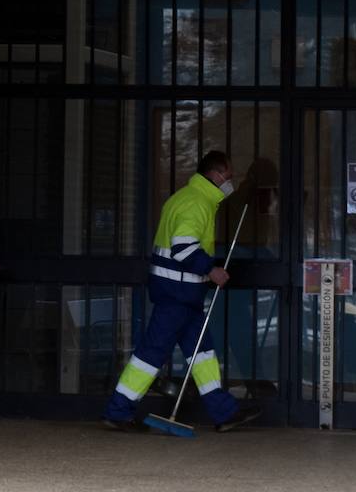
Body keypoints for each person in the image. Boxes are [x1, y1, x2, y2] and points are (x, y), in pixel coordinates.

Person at [102, 149, 262, 433]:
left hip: (182, 294)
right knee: (151, 354)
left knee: (202, 354)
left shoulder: (187, 198)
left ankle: (223, 413)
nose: (230, 181)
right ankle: (118, 411)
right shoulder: (196, 203)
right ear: (215, 174)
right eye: (228, 175)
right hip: (177, 294)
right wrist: (211, 270)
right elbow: (183, 247)